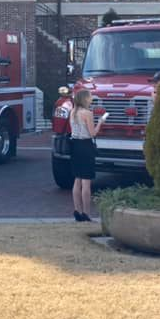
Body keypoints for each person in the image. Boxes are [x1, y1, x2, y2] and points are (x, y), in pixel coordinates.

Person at [69, 90, 106, 222]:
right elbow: (92, 133)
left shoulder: (72, 112)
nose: (91, 99)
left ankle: (77, 210)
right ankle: (86, 212)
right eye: (90, 97)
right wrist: (100, 122)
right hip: (85, 146)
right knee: (86, 182)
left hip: (75, 146)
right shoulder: (88, 113)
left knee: (77, 180)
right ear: (85, 99)